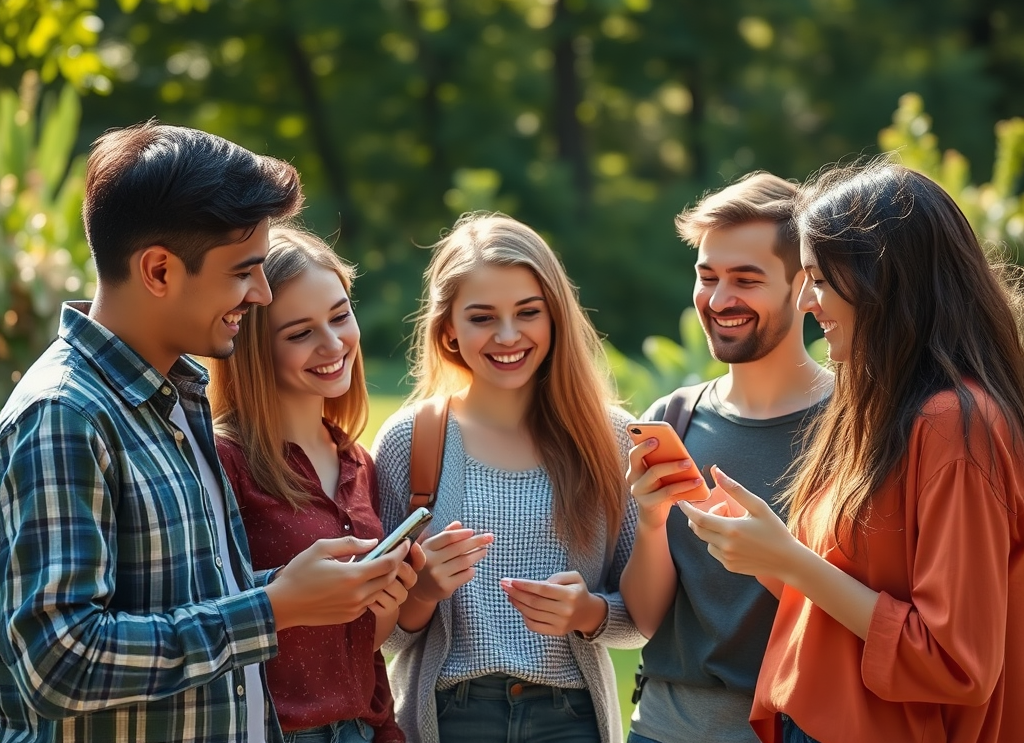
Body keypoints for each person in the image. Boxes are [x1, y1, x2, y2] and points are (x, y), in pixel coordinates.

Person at [0, 122, 408, 743]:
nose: (261, 292)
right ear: (159, 271)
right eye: (244, 272)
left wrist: (294, 585)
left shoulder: (176, 398)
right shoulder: (65, 415)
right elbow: (59, 663)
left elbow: (187, 600)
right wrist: (273, 608)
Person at [682, 160, 1024, 743]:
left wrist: (792, 560)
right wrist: (768, 552)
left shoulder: (953, 424)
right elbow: (851, 590)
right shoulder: (881, 405)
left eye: (817, 278)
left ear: (881, 279)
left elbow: (953, 661)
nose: (808, 301)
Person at [371, 212, 644, 743]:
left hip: (572, 719)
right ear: (447, 328)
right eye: (481, 317)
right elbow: (382, 635)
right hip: (449, 715)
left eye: (528, 312)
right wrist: (423, 590)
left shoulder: (608, 440)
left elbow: (640, 619)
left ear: (555, 316)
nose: (508, 335)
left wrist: (587, 611)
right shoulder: (410, 439)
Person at [619, 171, 832, 743]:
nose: (718, 300)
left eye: (745, 279)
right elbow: (643, 620)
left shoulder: (852, 422)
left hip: (791, 726)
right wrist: (651, 521)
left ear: (803, 287)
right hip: (661, 727)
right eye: (707, 276)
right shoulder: (675, 418)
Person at [208, 227, 420, 743]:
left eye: (340, 315)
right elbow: (212, 624)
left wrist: (389, 598)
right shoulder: (222, 461)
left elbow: (365, 641)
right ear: (256, 347)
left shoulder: (357, 461)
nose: (333, 344)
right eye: (300, 332)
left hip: (366, 728)